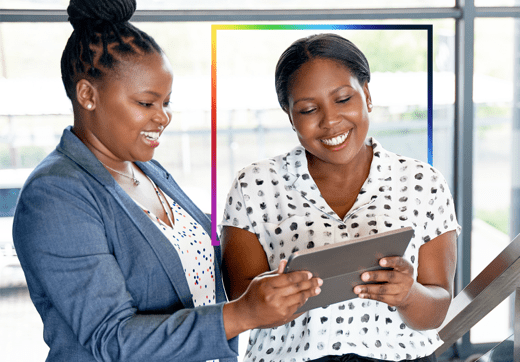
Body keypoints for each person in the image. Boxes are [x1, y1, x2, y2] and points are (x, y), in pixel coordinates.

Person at [12, 1, 321, 361]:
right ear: (87, 96)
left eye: (167, 102)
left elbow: (196, 277)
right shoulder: (55, 195)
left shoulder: (146, 170)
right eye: (146, 103)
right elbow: (113, 339)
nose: (163, 117)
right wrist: (241, 314)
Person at [220, 33, 460, 362]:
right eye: (307, 109)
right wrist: (277, 294)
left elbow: (437, 309)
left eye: (344, 99)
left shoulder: (423, 183)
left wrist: (409, 294)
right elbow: (240, 302)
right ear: (290, 115)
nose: (330, 121)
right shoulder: (254, 185)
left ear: (368, 96)